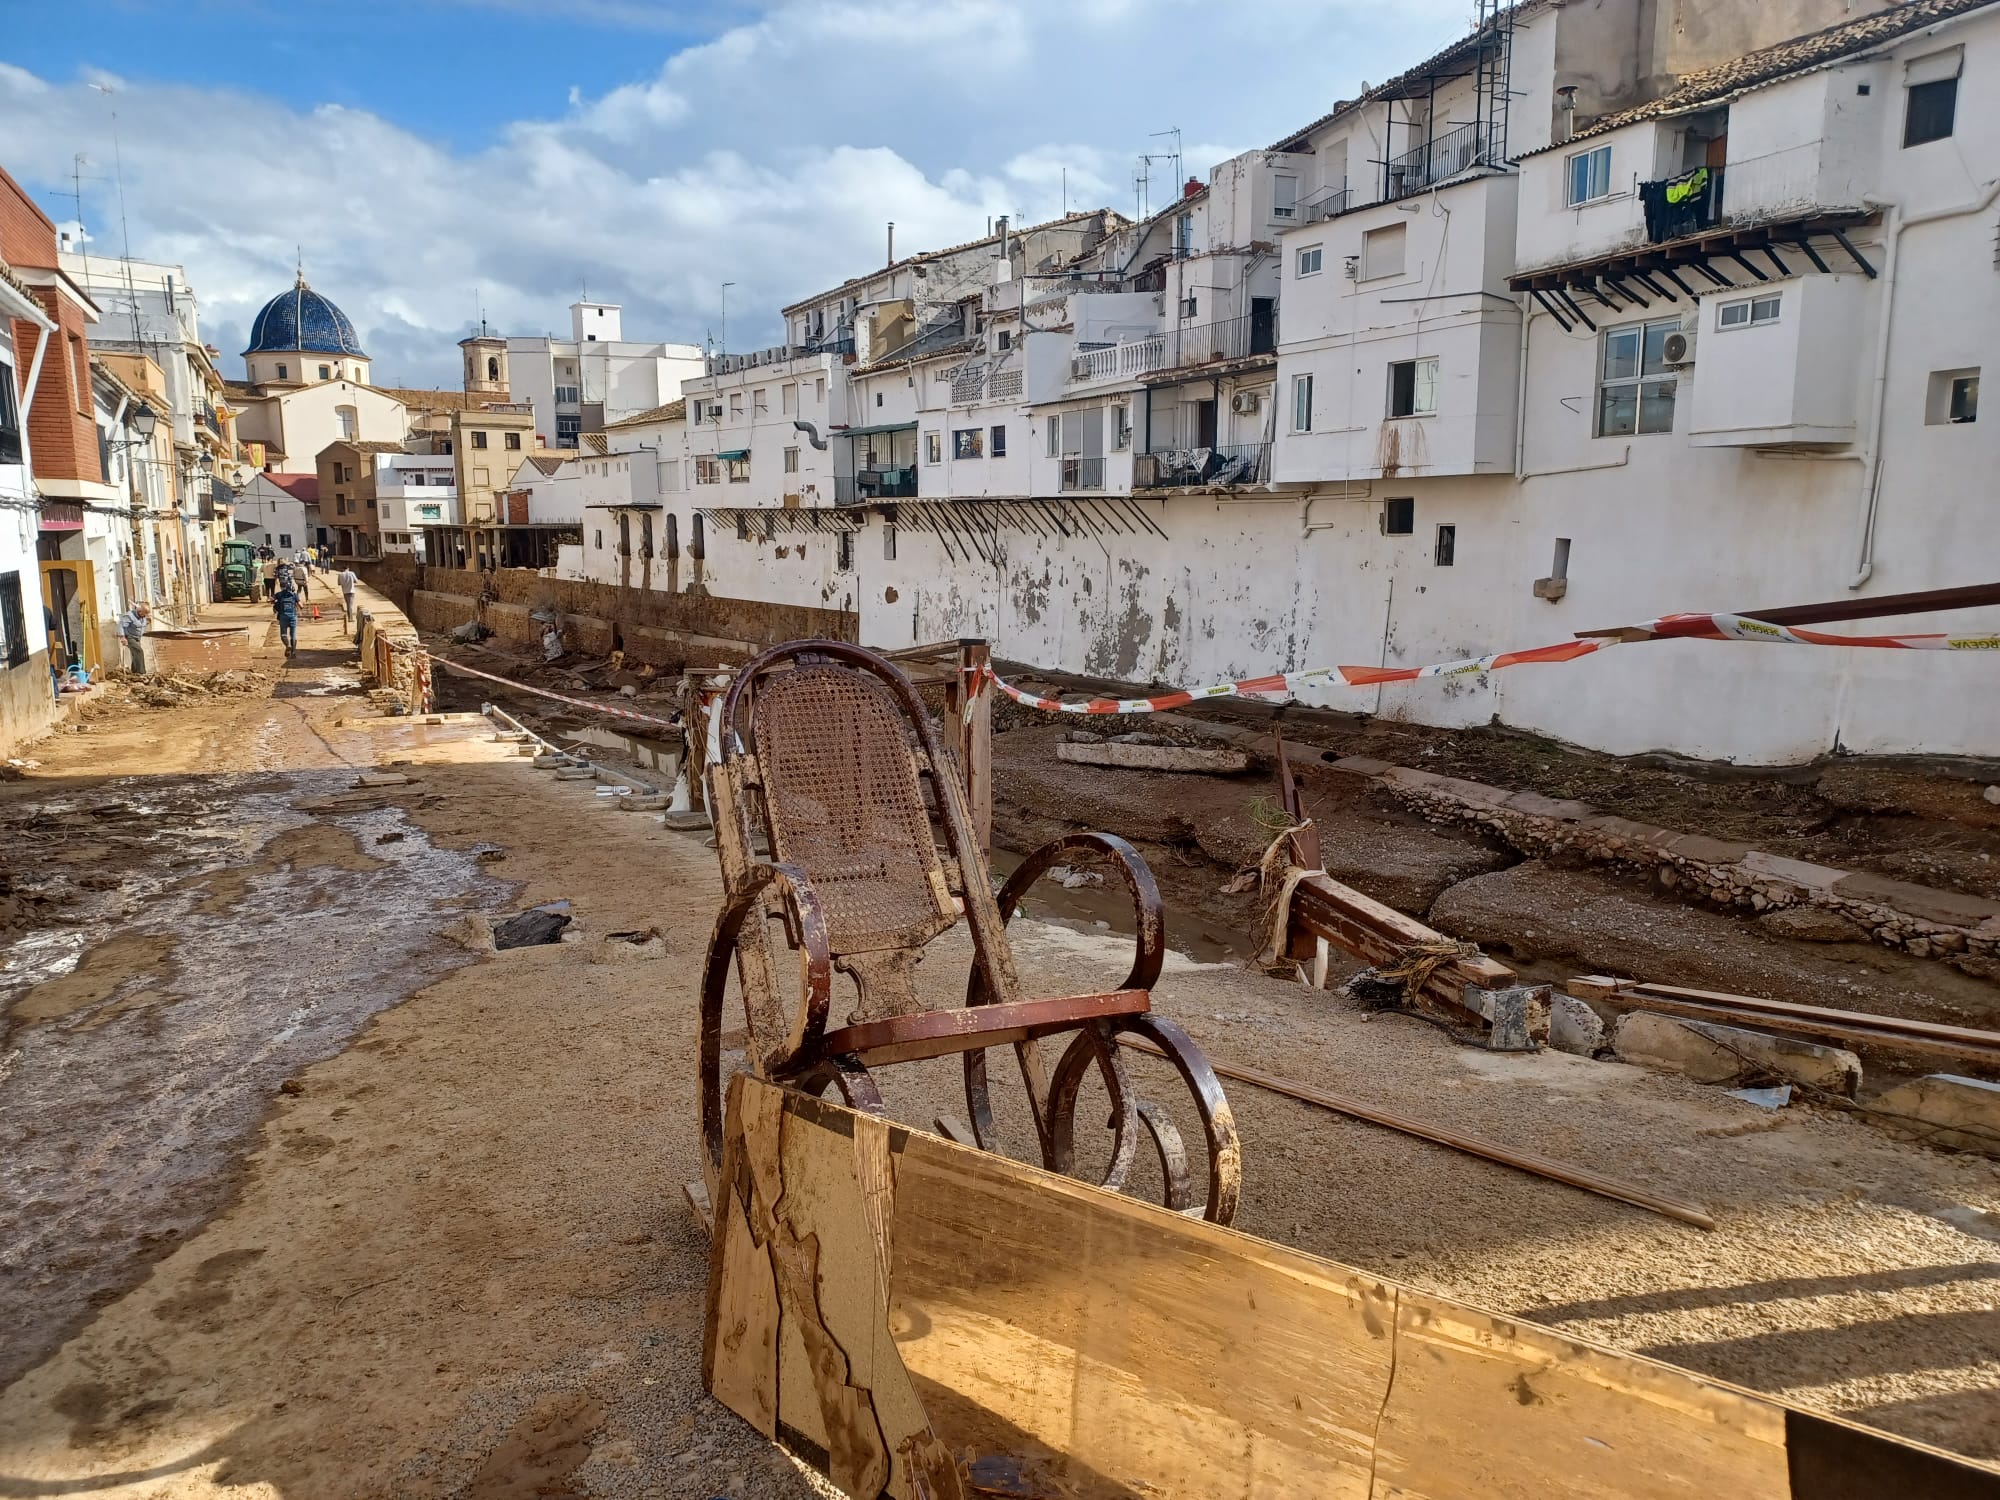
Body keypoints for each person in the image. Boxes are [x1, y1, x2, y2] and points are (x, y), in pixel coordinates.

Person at [271, 571, 300, 657]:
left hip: (283, 617)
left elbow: (270, 600)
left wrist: (274, 601)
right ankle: (294, 652)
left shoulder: (279, 595)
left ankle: (288, 646)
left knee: (283, 634)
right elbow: (301, 605)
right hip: (293, 617)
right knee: (293, 635)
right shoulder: (294, 595)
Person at [118, 602, 150, 674]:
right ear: (139, 611)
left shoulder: (143, 617)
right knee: (139, 651)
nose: (145, 616)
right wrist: (123, 637)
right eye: (144, 613)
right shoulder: (130, 616)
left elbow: (141, 626)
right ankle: (141, 673)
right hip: (129, 637)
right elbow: (121, 626)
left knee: (135, 654)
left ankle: (135, 672)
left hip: (137, 638)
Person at [337, 563, 357, 629]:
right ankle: (350, 618)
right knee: (350, 605)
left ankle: (350, 617)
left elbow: (339, 583)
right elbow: (356, 581)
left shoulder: (340, 575)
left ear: (343, 569)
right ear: (348, 568)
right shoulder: (351, 573)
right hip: (351, 591)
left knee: (348, 604)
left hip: (345, 591)